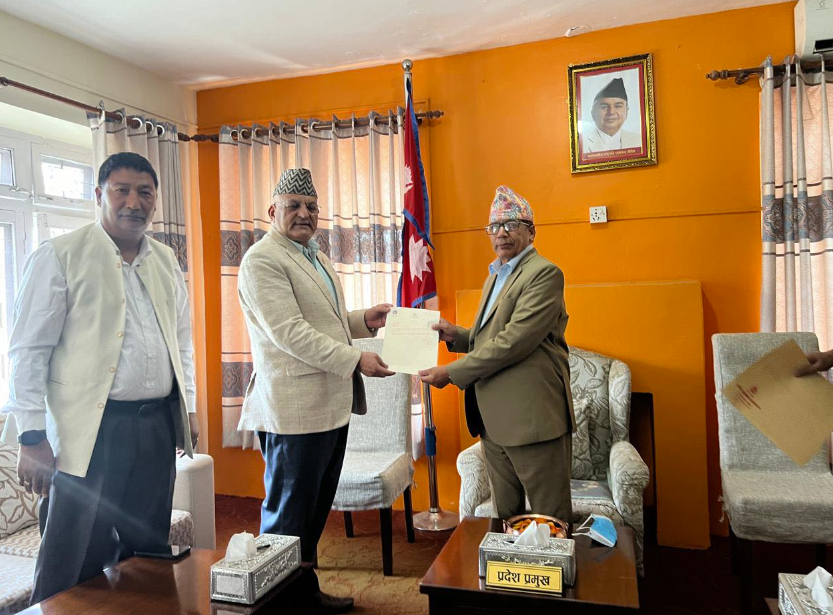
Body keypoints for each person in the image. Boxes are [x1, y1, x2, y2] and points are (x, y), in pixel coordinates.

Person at [0, 151, 199, 603]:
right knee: (72, 557)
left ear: (156, 199)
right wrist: (31, 437)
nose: (134, 202)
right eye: (121, 190)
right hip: (88, 433)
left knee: (147, 551)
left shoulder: (165, 259)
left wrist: (186, 408)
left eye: (145, 192)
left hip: (154, 427)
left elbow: (180, 343)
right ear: (98, 195)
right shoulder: (60, 256)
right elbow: (27, 351)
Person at [237, 168, 393, 615]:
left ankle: (302, 592)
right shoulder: (262, 261)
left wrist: (363, 320)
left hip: (329, 408)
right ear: (273, 210)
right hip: (293, 412)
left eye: (311, 207)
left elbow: (323, 321)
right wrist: (356, 359)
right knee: (287, 517)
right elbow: (291, 333)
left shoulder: (315, 256)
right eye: (294, 206)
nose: (304, 214)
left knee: (313, 511)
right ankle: (274, 602)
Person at [419, 186, 575, 523]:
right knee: (507, 519)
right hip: (492, 420)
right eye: (494, 227)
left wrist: (452, 372)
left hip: (532, 421)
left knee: (550, 521)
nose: (501, 233)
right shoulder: (496, 276)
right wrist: (457, 335)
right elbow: (491, 335)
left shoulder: (544, 274)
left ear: (531, 232)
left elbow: (514, 341)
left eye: (511, 224)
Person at [582, 77, 641, 154]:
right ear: (593, 113)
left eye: (618, 106)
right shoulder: (581, 143)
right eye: (604, 107)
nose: (611, 112)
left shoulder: (639, 141)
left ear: (626, 112)